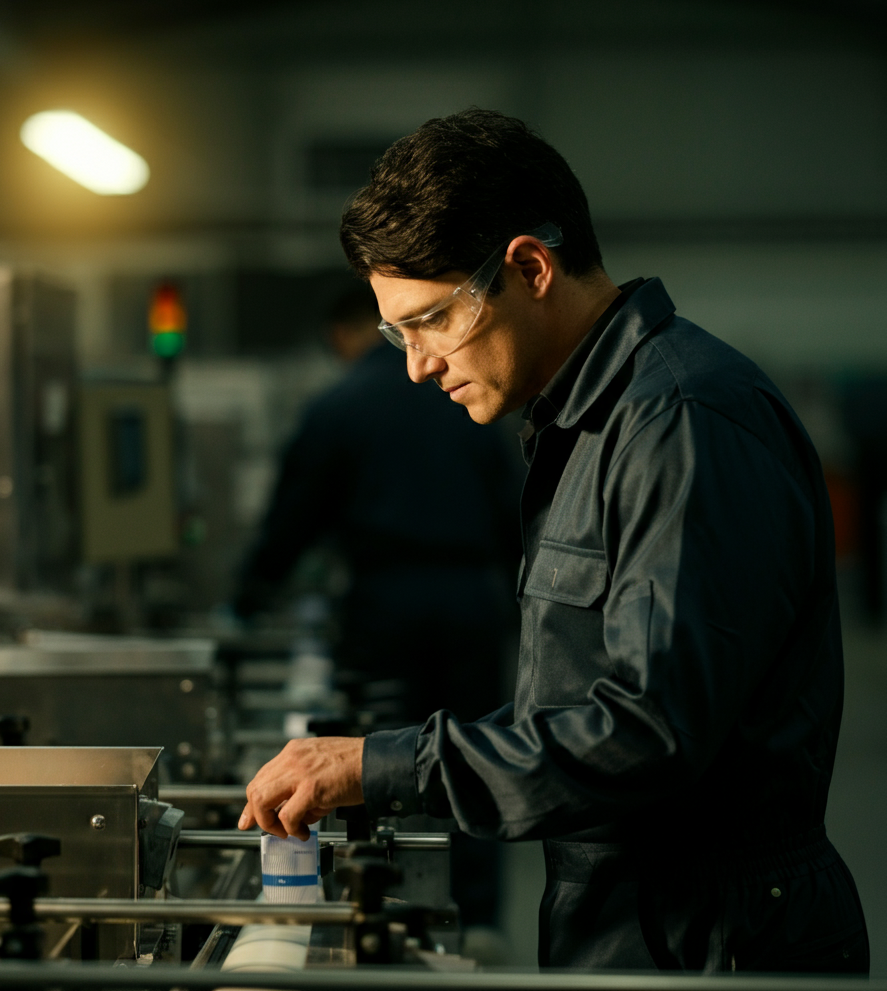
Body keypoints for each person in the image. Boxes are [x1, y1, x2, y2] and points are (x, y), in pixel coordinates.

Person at [237, 109, 869, 973]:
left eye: (428, 321)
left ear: (530, 266)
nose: (416, 364)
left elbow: (648, 730)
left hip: (712, 940)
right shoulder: (583, 425)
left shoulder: (681, 424)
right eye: (396, 334)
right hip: (634, 916)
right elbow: (580, 710)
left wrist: (387, 764)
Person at [234, 285, 524, 934]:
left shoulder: (338, 405)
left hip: (385, 600)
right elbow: (514, 508)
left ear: (343, 333)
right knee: (477, 753)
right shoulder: (465, 395)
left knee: (382, 759)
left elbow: (293, 518)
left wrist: (246, 602)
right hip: (472, 599)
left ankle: (392, 915)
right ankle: (471, 921)